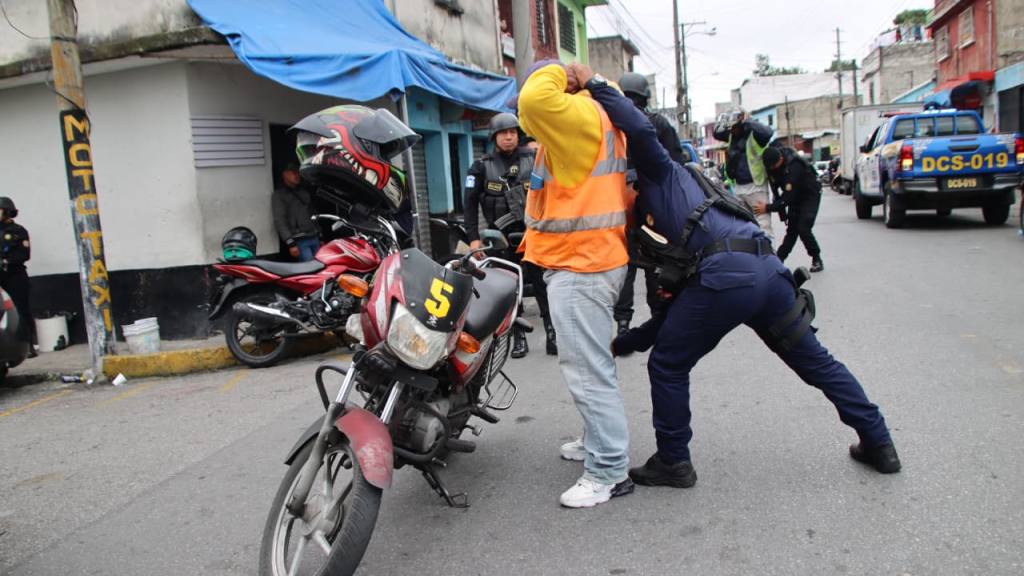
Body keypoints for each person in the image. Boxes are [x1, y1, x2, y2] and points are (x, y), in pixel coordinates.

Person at [569, 64, 900, 490]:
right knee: (815, 361)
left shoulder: (664, 172)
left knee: (668, 365)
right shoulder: (690, 206)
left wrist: (595, 85)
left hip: (729, 274)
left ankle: (673, 461)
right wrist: (626, 342)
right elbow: (678, 308)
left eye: (624, 188)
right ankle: (880, 441)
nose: (624, 198)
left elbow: (638, 129)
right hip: (766, 271)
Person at [518, 60, 635, 508]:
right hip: (589, 259)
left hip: (581, 264)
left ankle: (608, 470)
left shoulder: (582, 118)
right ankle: (596, 443)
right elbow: (531, 113)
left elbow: (533, 101)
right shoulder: (596, 115)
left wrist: (562, 71)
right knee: (593, 365)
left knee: (588, 373)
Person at [464, 113, 554, 358]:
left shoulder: (534, 159)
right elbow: (469, 205)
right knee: (509, 288)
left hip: (533, 235)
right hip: (498, 238)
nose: (508, 137)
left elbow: (552, 192)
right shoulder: (481, 166)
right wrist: (473, 238)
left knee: (543, 285)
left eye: (512, 132)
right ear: (494, 137)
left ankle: (551, 333)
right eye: (503, 133)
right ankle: (518, 336)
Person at [613, 73, 687, 338]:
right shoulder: (656, 124)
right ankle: (659, 319)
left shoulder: (610, 123)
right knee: (656, 263)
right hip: (652, 208)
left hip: (621, 207)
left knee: (628, 266)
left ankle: (624, 323)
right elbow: (677, 167)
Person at [758, 146, 824, 272]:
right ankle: (779, 259)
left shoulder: (794, 166)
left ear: (781, 159)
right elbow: (777, 192)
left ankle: (816, 258)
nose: (772, 169)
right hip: (795, 197)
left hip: (809, 195)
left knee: (803, 228)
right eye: (770, 167)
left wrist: (767, 208)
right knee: (792, 232)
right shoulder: (771, 167)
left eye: (774, 166)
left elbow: (786, 198)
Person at [713, 108, 775, 236]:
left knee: (763, 225)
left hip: (755, 187)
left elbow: (768, 132)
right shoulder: (732, 136)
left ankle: (769, 253)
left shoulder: (755, 135)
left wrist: (746, 120)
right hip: (738, 187)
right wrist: (726, 120)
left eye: (734, 127)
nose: (732, 131)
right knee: (744, 224)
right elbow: (716, 133)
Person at [0, 197, 36, 356]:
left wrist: (6, 261)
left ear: (7, 212)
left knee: (22, 310)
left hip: (14, 275)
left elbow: (24, 254)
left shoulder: (18, 231)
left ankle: (28, 345)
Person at [272, 163, 320, 261]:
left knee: (321, 268)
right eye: (294, 173)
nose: (297, 175)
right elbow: (280, 220)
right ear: (284, 174)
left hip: (314, 236)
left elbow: (313, 214)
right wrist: (290, 242)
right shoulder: (279, 195)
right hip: (299, 240)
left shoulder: (304, 191)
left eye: (298, 173)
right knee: (309, 270)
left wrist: (320, 234)